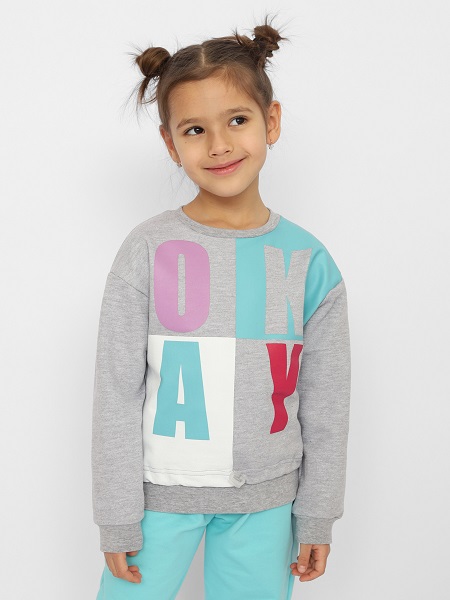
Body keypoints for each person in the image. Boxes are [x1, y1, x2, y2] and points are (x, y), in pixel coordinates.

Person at [91, 14, 351, 600]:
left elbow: (327, 405)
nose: (220, 145)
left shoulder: (310, 262)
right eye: (194, 129)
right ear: (170, 143)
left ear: (271, 121)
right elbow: (116, 392)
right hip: (158, 498)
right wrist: (116, 515)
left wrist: (317, 514)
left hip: (267, 500)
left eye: (237, 120)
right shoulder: (146, 250)